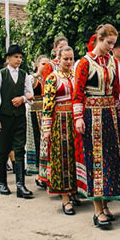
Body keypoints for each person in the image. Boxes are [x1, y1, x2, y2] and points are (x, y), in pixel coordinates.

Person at [73, 24, 120, 228]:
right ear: (98, 39)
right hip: (92, 114)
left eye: (113, 44)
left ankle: (106, 204)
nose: (111, 47)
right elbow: (78, 91)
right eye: (108, 43)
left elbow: (117, 90)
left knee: (110, 160)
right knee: (96, 160)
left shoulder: (112, 61)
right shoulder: (85, 63)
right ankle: (97, 209)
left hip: (109, 114)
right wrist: (78, 118)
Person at [0, 45, 34, 198]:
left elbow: (30, 94)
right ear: (8, 58)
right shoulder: (1, 75)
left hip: (19, 117)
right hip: (4, 117)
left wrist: (23, 98)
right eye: (15, 57)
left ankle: (21, 185)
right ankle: (2, 182)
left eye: (20, 57)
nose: (18, 60)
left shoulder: (24, 75)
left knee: (19, 149)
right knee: (2, 149)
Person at [41, 46, 78, 215]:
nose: (69, 62)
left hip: (75, 120)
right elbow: (47, 105)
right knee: (62, 157)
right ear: (58, 58)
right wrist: (47, 129)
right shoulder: (52, 78)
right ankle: (65, 198)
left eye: (71, 59)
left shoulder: (76, 76)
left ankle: (74, 191)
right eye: (65, 59)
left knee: (75, 155)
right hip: (59, 121)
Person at [37, 36, 69, 188]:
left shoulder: (72, 67)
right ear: (55, 49)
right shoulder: (50, 67)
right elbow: (46, 92)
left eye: (66, 46)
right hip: (54, 105)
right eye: (61, 47)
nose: (63, 48)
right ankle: (48, 177)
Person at [26, 55, 49, 177]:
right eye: (43, 64)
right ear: (37, 64)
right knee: (36, 141)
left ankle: (44, 173)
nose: (45, 67)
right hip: (34, 112)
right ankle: (37, 170)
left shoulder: (49, 78)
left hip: (46, 113)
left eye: (47, 64)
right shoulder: (32, 79)